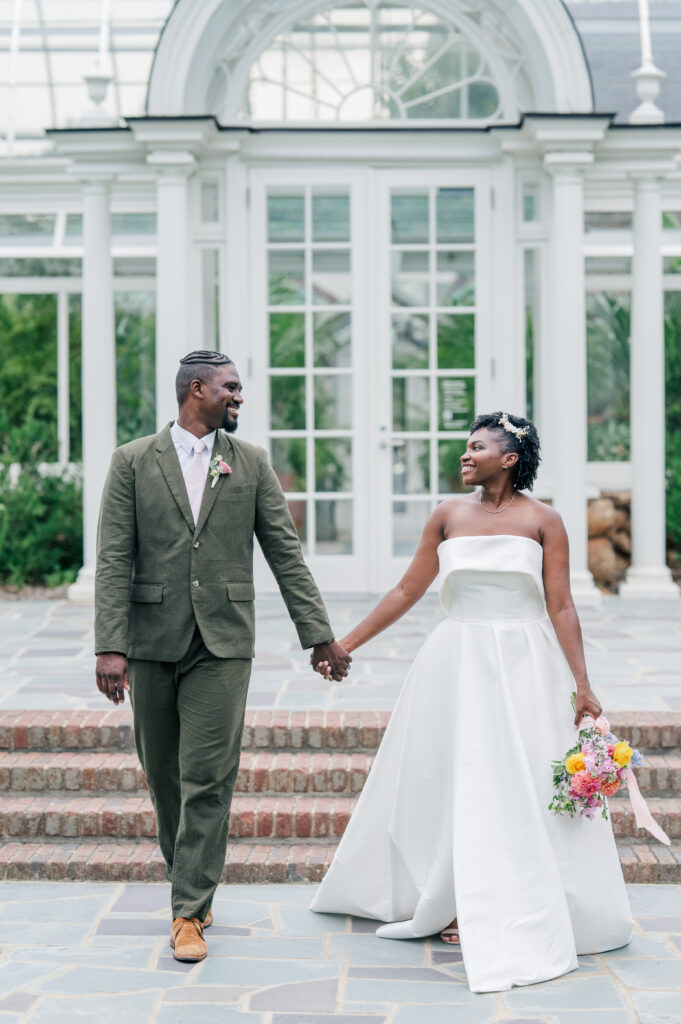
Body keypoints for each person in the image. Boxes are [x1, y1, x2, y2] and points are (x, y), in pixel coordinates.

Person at [309, 411, 633, 993]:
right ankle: (451, 898)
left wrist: (583, 685)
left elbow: (561, 605)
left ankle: (522, 898)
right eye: (466, 446)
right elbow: (407, 589)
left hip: (526, 663)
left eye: (477, 447)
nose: (465, 454)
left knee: (519, 780)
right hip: (456, 660)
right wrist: (344, 644)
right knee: (454, 778)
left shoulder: (545, 521)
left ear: (509, 459)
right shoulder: (447, 515)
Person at [94, 349, 350, 963]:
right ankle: (191, 881)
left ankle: (187, 912)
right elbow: (113, 556)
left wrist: (319, 635)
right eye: (230, 387)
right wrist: (110, 645)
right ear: (196, 390)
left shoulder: (251, 462)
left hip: (223, 644)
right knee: (164, 777)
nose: (238, 396)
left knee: (208, 776)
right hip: (152, 640)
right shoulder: (132, 460)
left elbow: (285, 554)